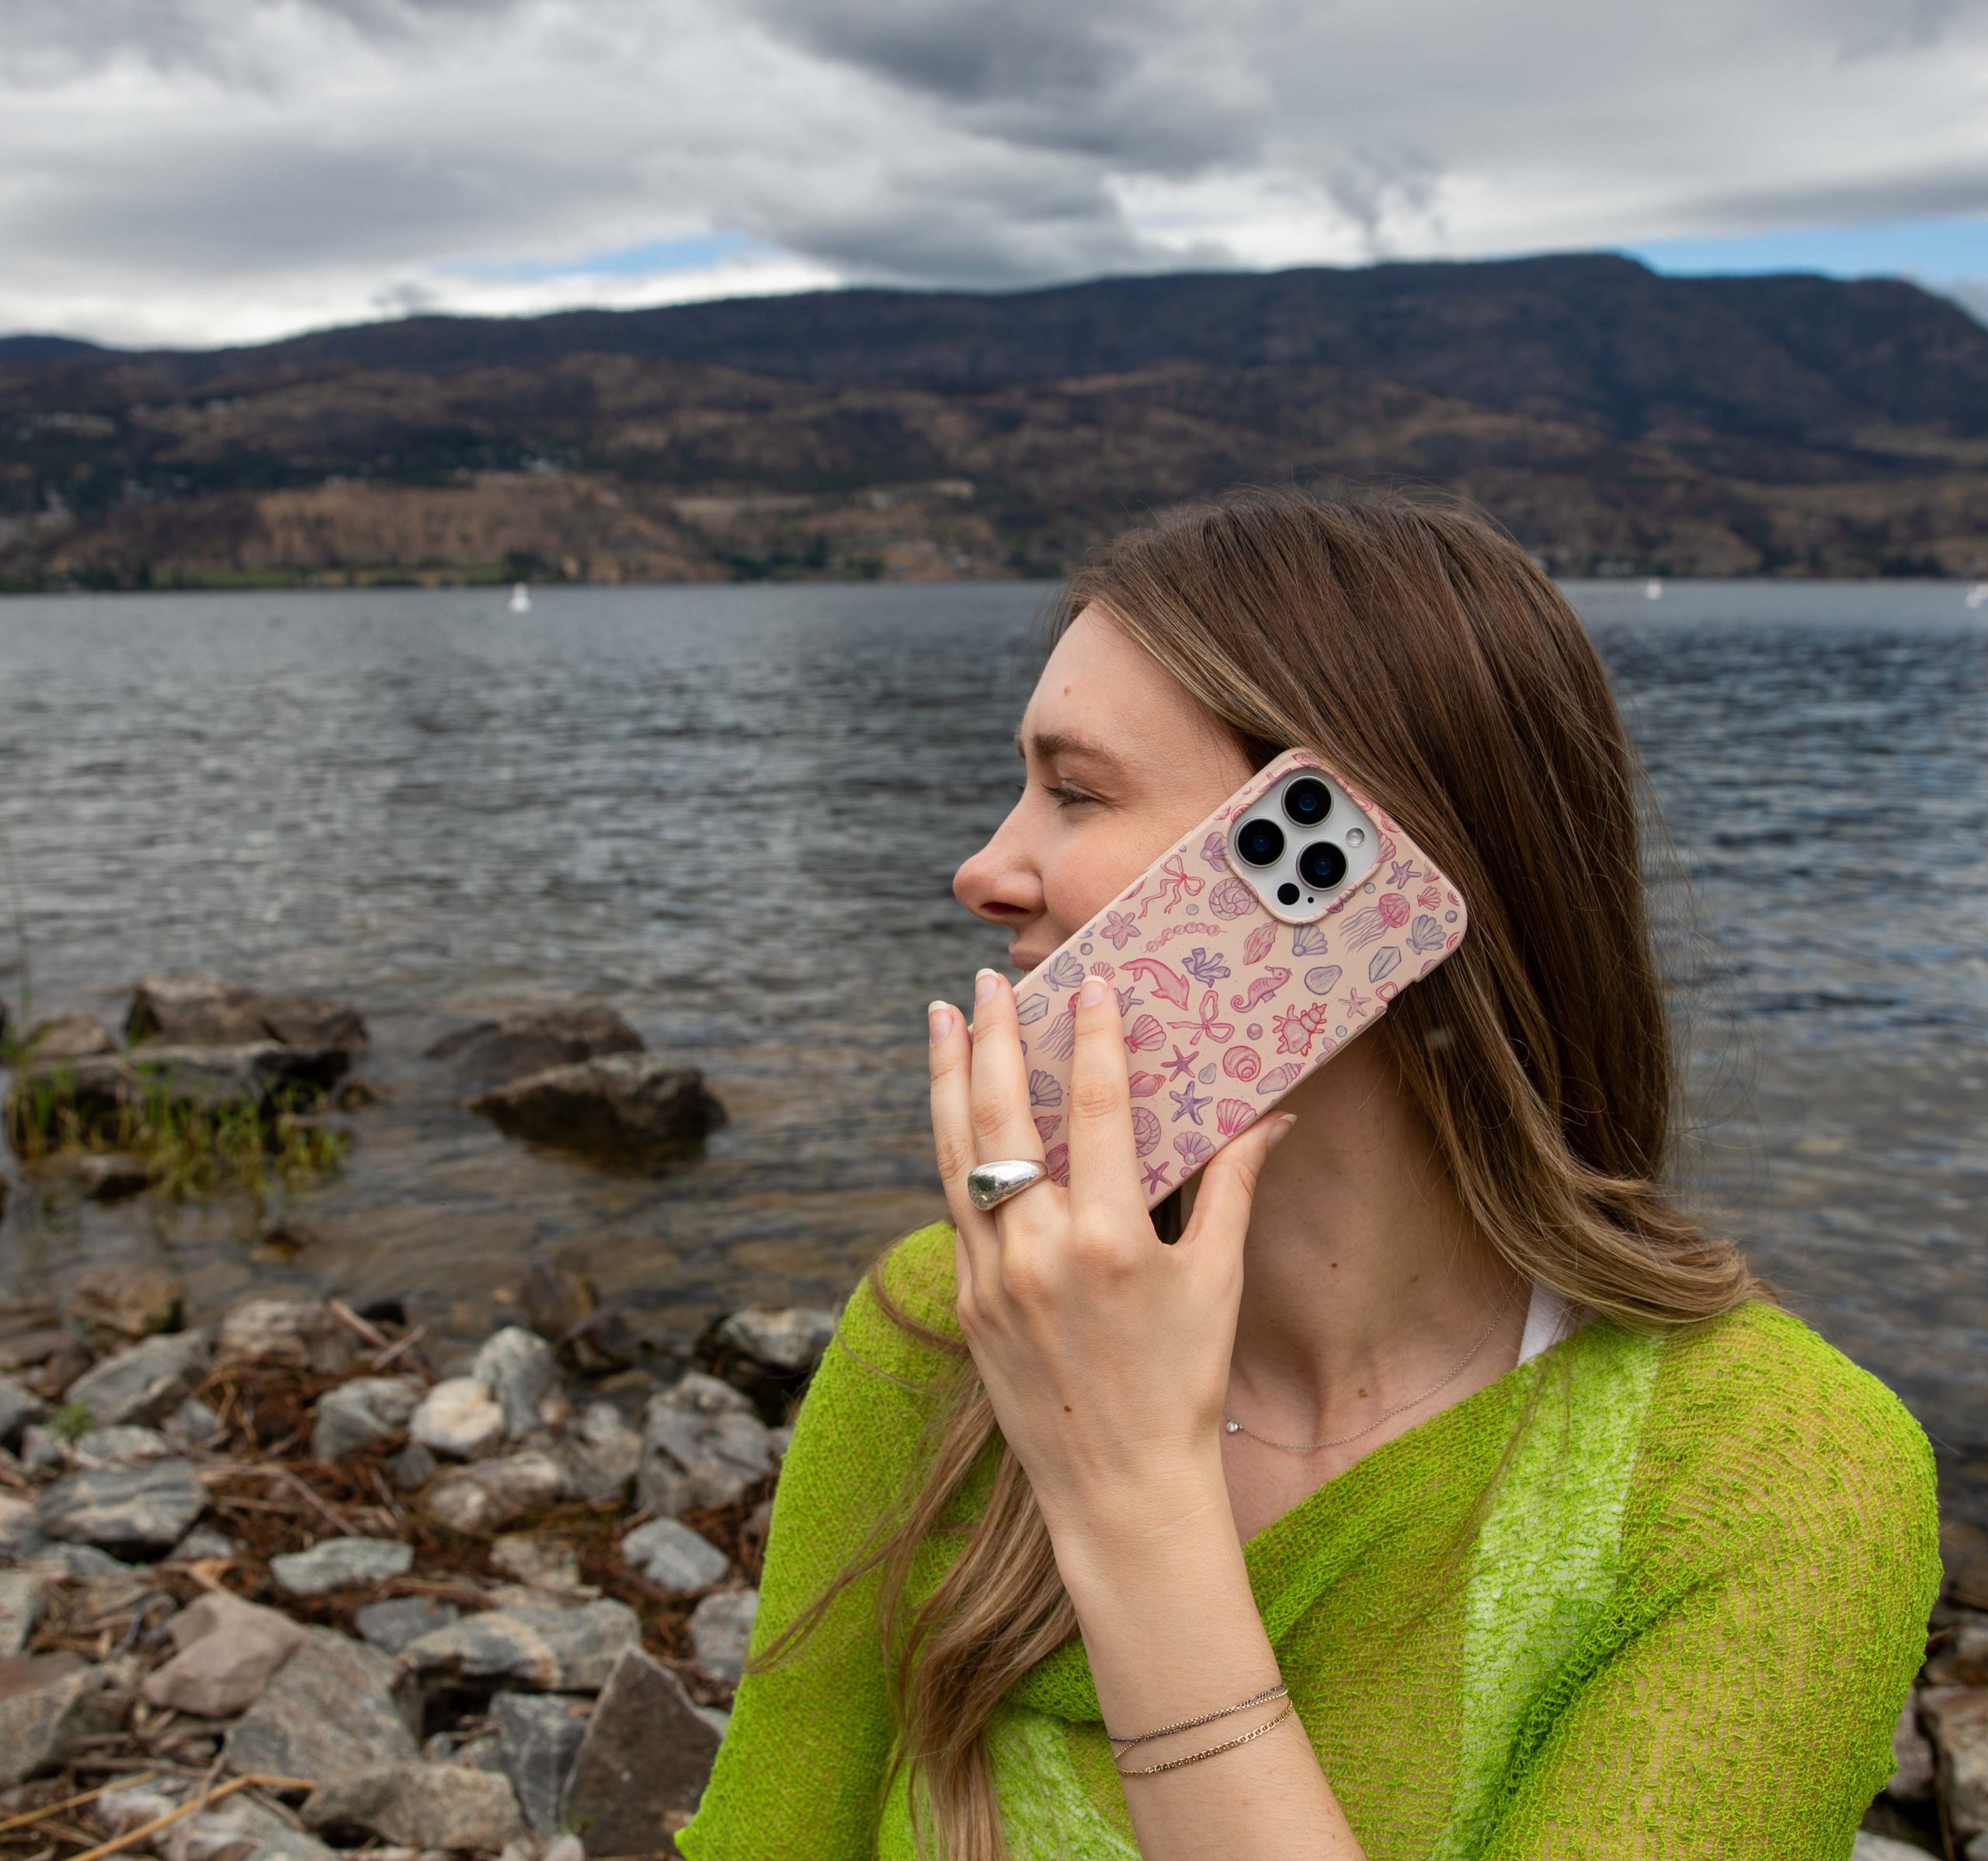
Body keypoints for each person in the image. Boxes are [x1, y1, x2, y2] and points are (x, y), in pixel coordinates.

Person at [674, 488, 1940, 1861]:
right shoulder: (945, 1326)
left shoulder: (1774, 1477)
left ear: (1352, 877)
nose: (984, 868)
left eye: (1075, 791)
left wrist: (1131, 1500)